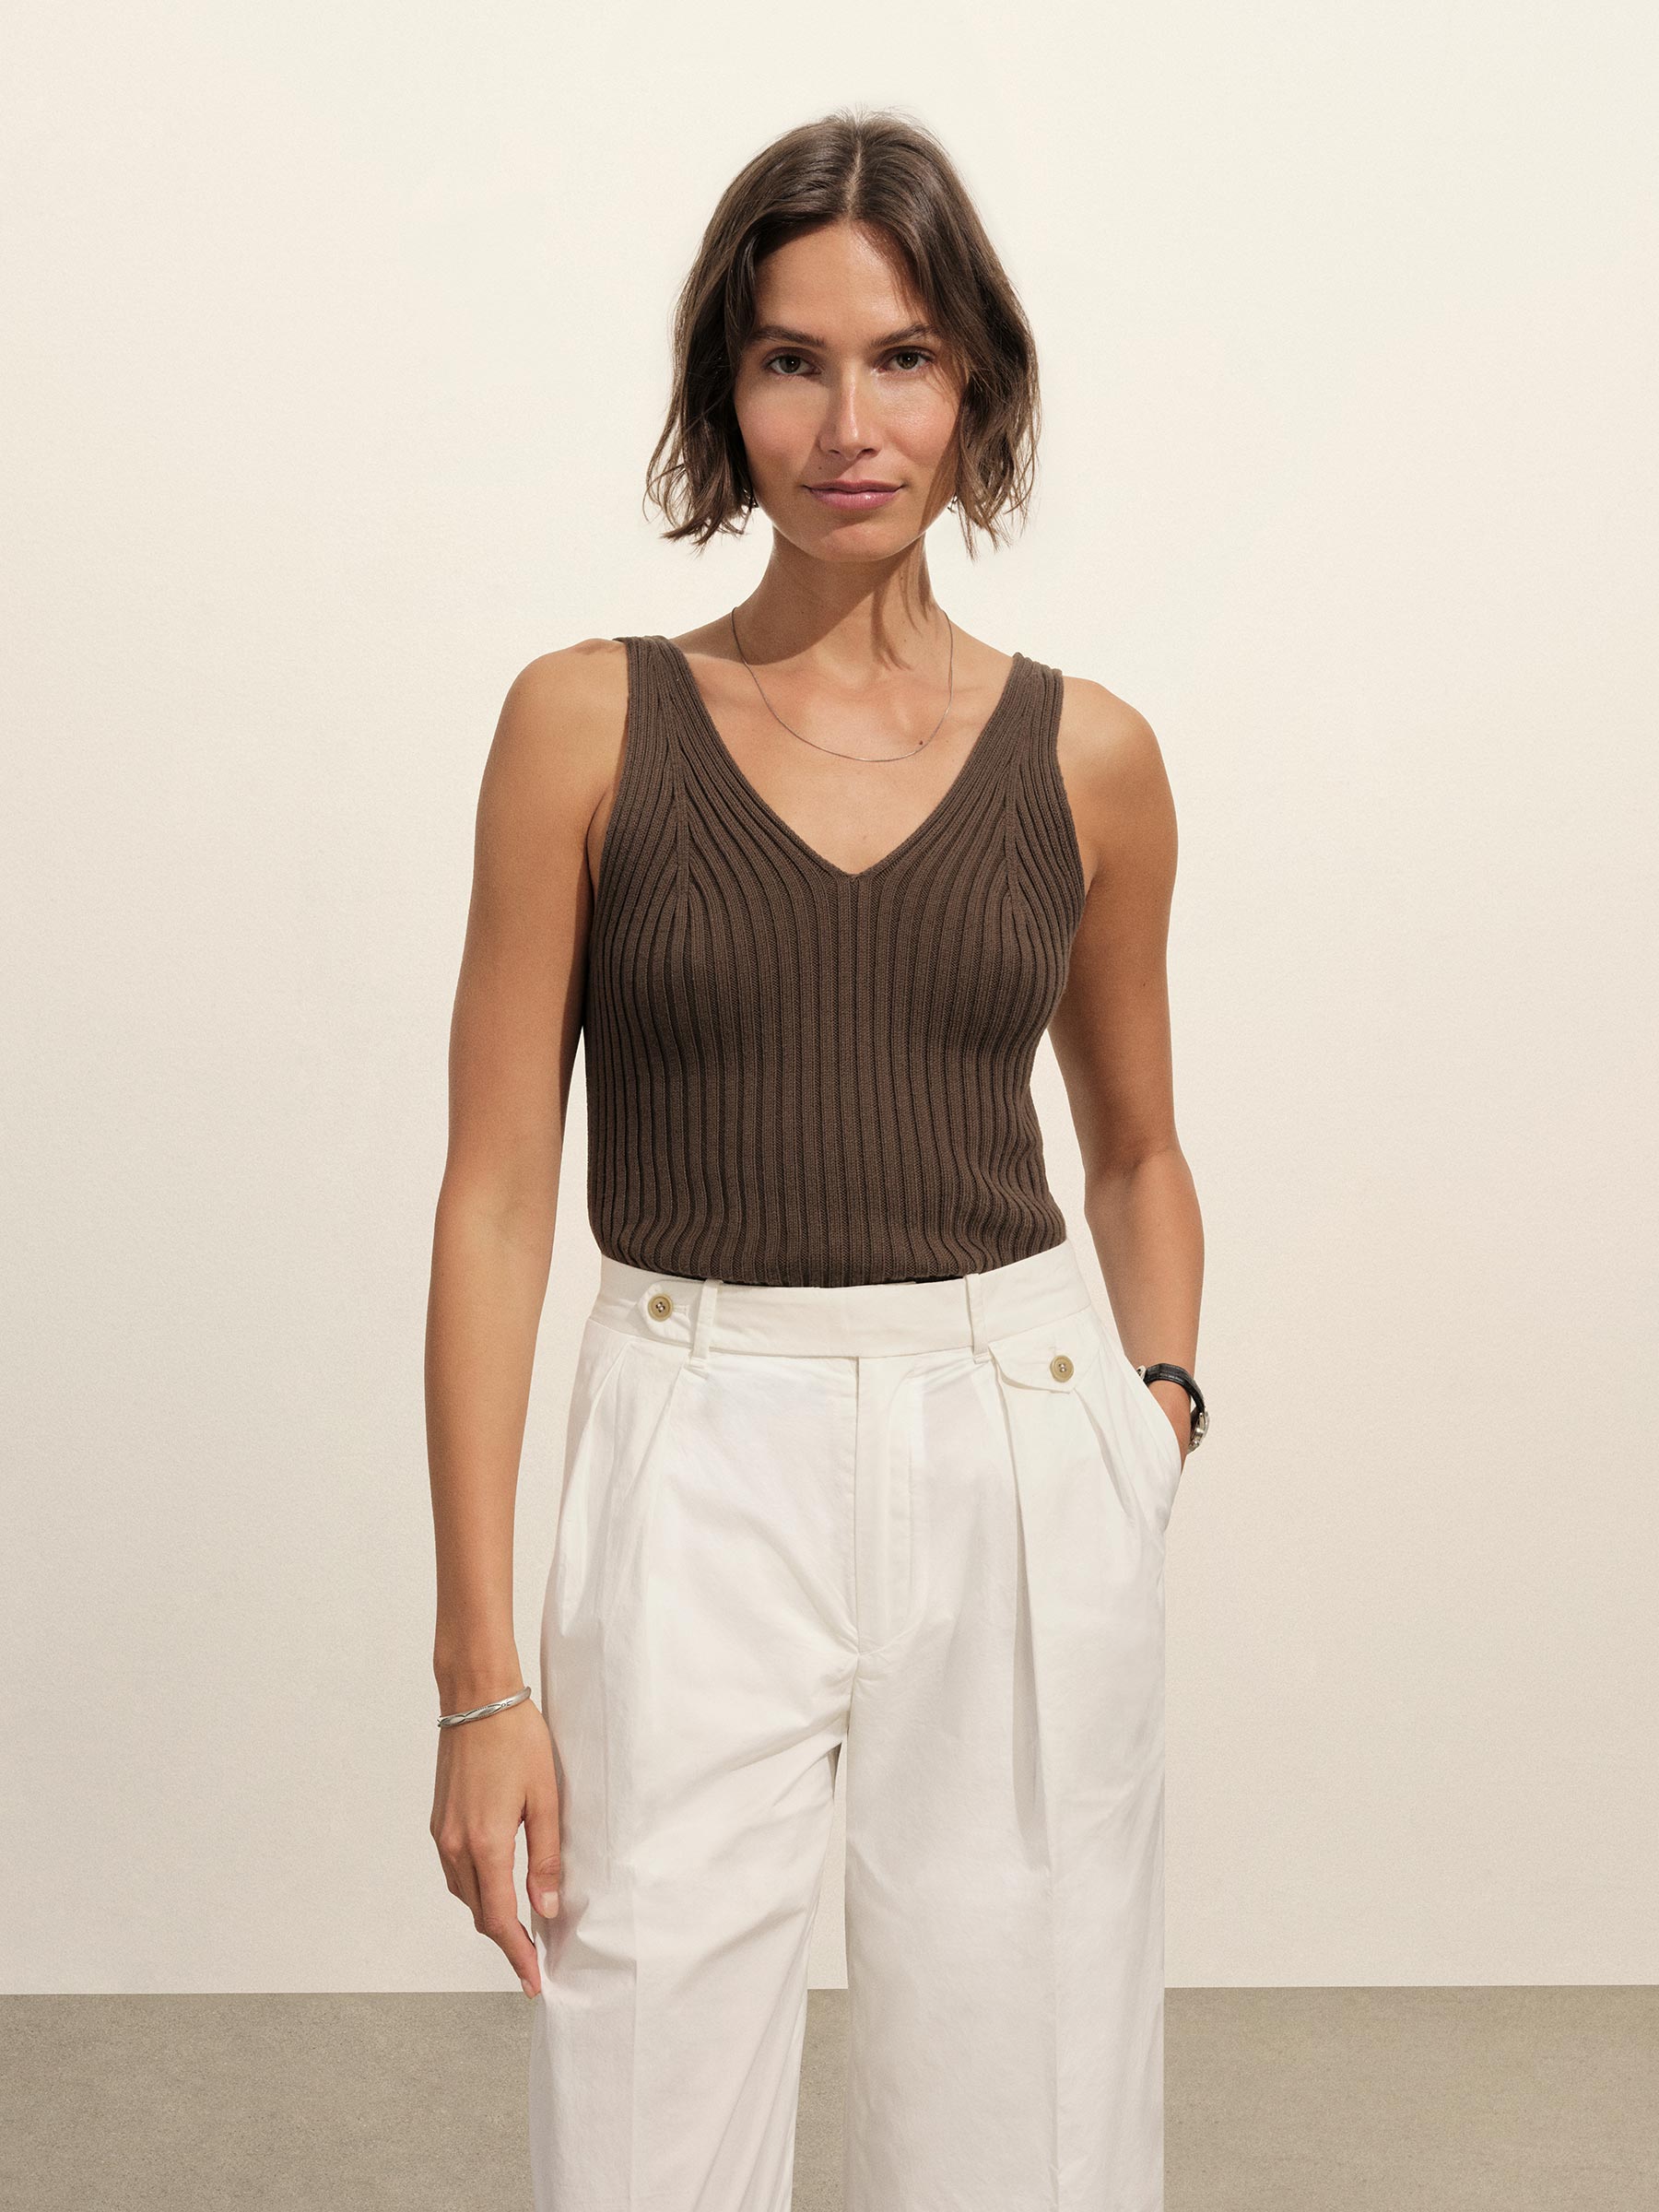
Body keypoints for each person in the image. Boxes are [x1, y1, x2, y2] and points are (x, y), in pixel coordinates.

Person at [425, 105, 1208, 2212]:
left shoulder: (1092, 758)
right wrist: (480, 1677)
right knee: (643, 2120)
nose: (850, 425)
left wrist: (1151, 1423)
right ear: (724, 389)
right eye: (793, 361)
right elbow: (495, 1202)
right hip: (694, 1446)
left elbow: (1139, 1150)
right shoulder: (585, 726)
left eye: (904, 359)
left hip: (1021, 1448)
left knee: (1029, 2129)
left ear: (978, 389)